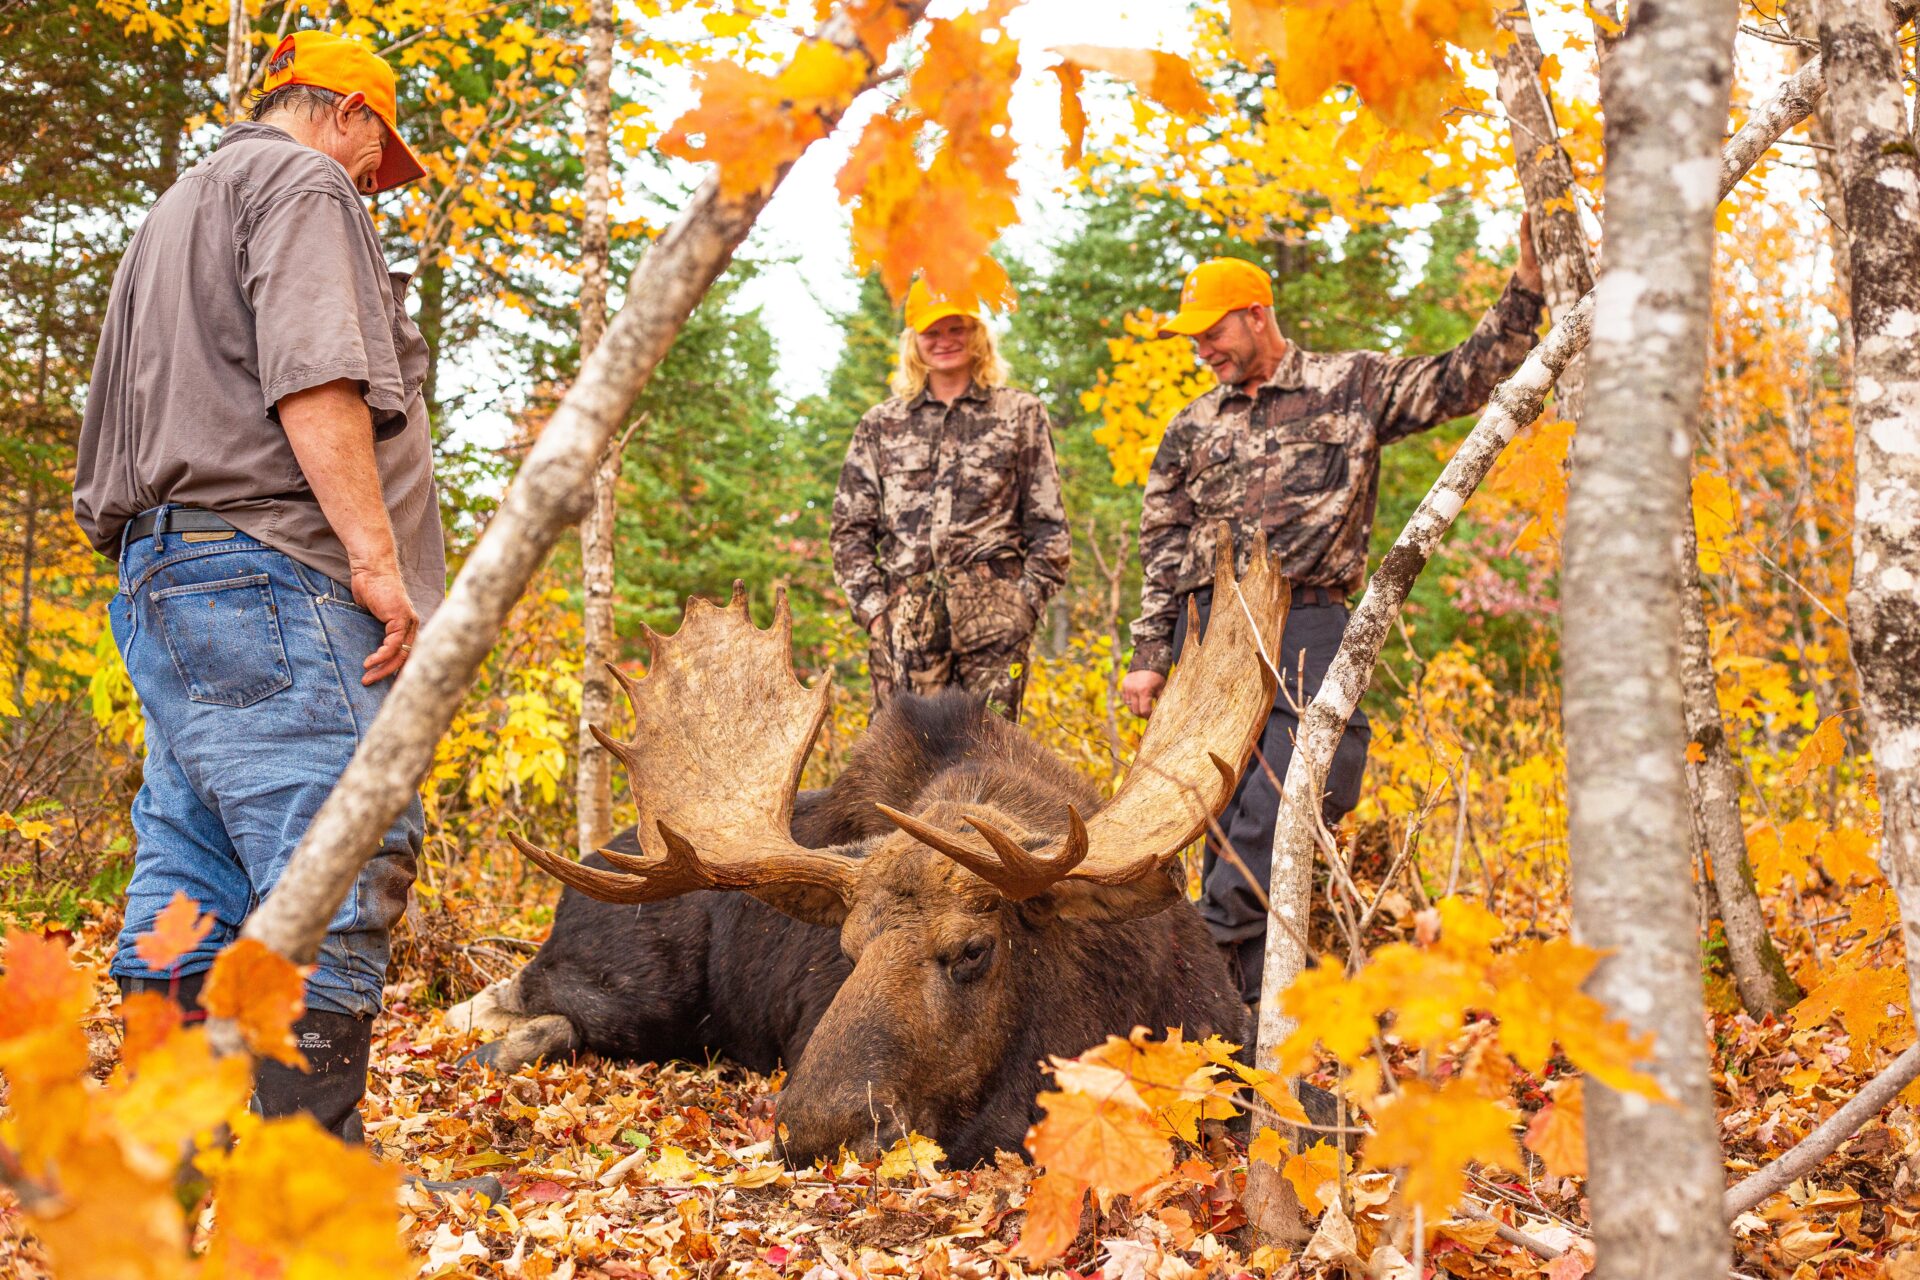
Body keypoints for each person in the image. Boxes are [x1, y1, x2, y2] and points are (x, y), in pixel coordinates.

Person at [73, 32, 488, 1192]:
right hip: (278, 572)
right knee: (337, 858)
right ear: (347, 114)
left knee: (192, 865)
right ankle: (313, 1183)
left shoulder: (172, 212)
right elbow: (315, 375)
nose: (371, 184)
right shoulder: (304, 182)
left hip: (165, 582)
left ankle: (163, 1165)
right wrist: (374, 558)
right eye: (377, 158)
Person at [1121, 227, 1546, 1005]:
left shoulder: (1350, 384)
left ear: (1256, 315)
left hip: (1312, 622)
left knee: (1306, 781)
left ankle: (1201, 955)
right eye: (1194, 339)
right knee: (1219, 813)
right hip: (1208, 632)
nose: (1202, 350)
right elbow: (1162, 539)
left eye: (1212, 332)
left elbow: (1464, 378)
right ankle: (1235, 1024)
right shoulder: (1190, 425)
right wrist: (1152, 650)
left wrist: (1526, 285)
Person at [830, 279, 1070, 720]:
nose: (944, 342)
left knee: (988, 762)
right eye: (931, 333)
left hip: (994, 613)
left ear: (977, 334)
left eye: (956, 329)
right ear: (913, 342)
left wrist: (1023, 605)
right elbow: (850, 531)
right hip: (906, 620)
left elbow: (1049, 527)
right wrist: (876, 616)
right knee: (900, 764)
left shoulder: (1019, 413)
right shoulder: (881, 424)